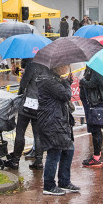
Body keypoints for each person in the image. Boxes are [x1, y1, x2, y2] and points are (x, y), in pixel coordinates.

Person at [36, 64, 80, 196]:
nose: (67, 68)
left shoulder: (53, 79)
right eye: (65, 66)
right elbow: (65, 95)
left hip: (58, 120)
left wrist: (66, 81)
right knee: (54, 151)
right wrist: (67, 83)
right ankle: (49, 185)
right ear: (58, 67)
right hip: (52, 121)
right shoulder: (48, 81)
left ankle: (64, 181)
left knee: (68, 149)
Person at [7, 59, 44, 169]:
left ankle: (15, 160)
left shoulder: (32, 64)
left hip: (28, 105)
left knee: (20, 132)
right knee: (38, 134)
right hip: (40, 104)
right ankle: (39, 161)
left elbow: (23, 84)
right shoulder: (47, 65)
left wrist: (24, 74)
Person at [79, 67, 103, 166]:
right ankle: (97, 156)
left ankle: (96, 157)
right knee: (95, 129)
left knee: (96, 129)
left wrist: (82, 81)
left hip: (96, 103)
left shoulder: (98, 69)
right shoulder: (95, 68)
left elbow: (93, 83)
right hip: (93, 103)